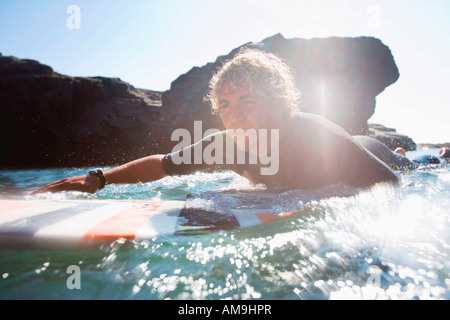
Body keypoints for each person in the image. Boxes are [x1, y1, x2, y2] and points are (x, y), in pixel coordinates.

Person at [29, 48, 399, 195]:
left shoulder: (314, 137)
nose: (234, 114)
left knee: (416, 163)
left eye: (248, 101)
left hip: (376, 154)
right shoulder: (225, 144)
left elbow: (392, 184)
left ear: (278, 103)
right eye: (224, 103)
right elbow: (161, 164)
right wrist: (100, 178)